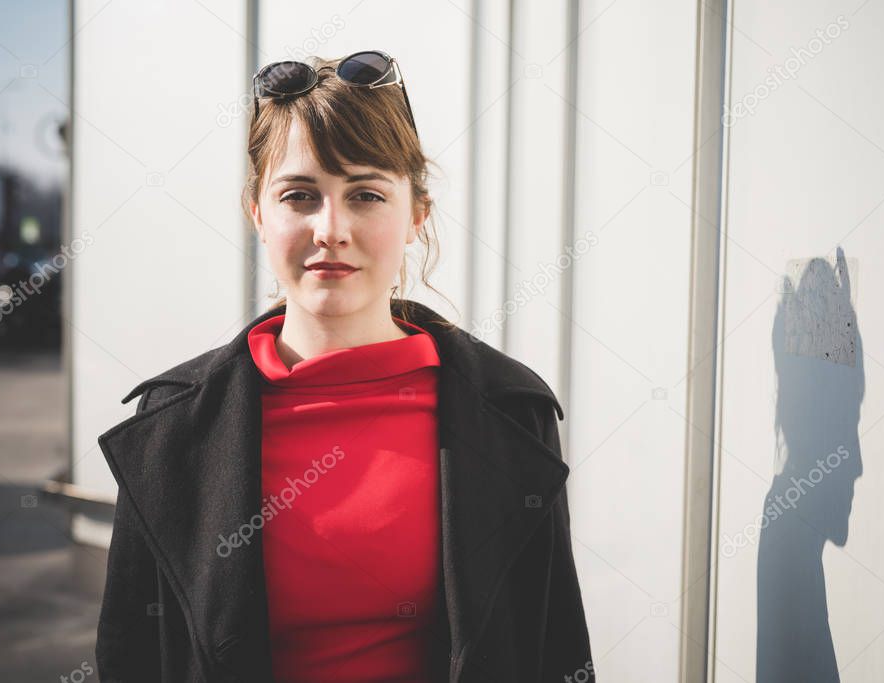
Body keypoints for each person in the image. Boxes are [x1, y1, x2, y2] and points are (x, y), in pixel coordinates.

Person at [95, 50, 594, 683]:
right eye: (300, 195)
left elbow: (553, 647)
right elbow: (130, 657)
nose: (330, 229)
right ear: (258, 212)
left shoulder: (510, 411)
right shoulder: (172, 425)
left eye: (365, 194)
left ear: (417, 214)